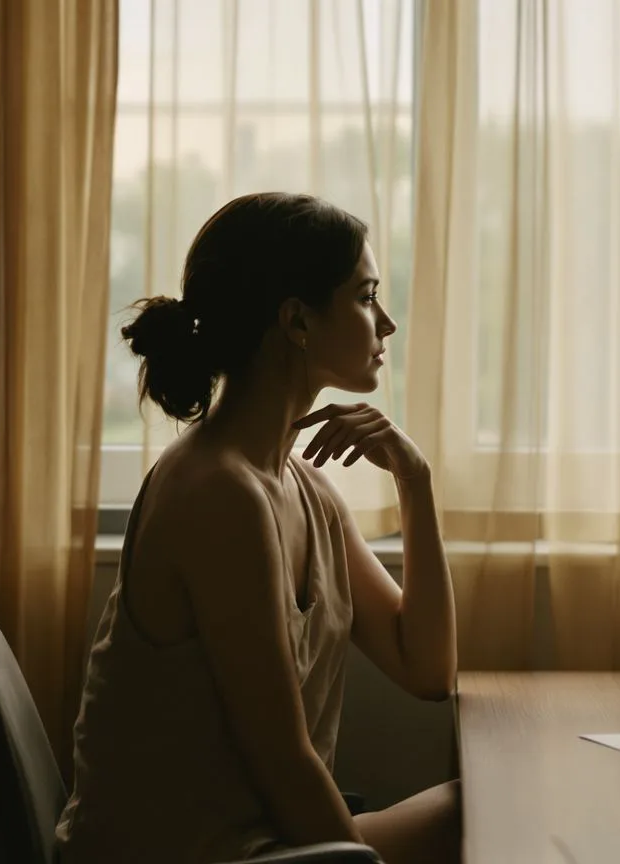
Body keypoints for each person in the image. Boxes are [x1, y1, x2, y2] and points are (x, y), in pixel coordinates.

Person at [55, 192, 461, 864]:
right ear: (297, 320)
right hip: (191, 855)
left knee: (485, 806)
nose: (386, 323)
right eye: (365, 298)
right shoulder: (217, 493)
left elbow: (429, 670)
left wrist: (414, 482)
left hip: (259, 840)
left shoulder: (306, 490)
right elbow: (283, 761)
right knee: (479, 819)